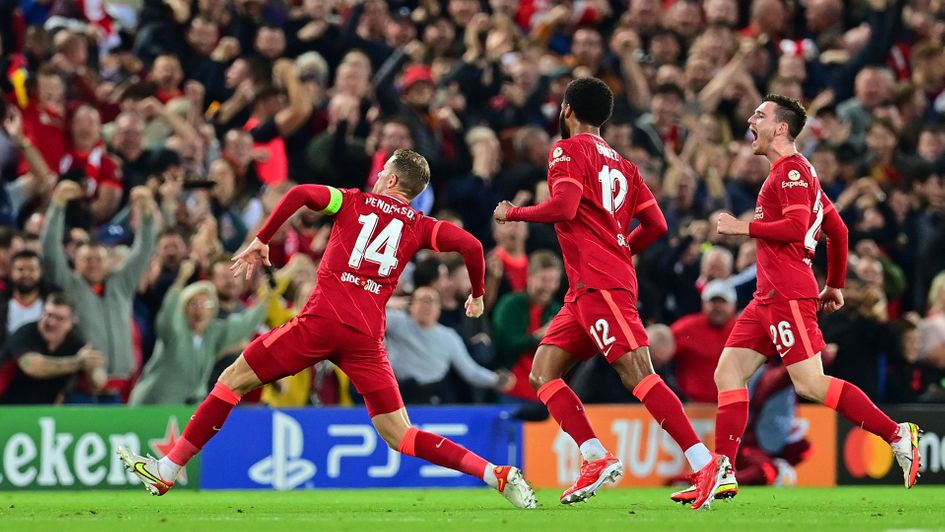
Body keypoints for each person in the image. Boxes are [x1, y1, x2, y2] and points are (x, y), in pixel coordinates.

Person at [119, 148, 536, 509]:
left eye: (381, 172)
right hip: (366, 337)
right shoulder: (419, 225)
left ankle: (167, 469)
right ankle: (494, 473)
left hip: (320, 322)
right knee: (401, 434)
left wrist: (263, 238)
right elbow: (473, 245)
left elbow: (299, 194)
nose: (376, 177)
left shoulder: (350, 201)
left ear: (390, 177)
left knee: (232, 380)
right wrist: (478, 294)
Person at [493, 77, 726, 510]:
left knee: (637, 372)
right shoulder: (625, 165)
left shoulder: (566, 150)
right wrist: (621, 248)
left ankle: (704, 461)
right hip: (585, 288)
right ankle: (594, 456)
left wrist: (514, 213)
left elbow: (563, 208)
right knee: (543, 373)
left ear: (566, 111)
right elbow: (657, 226)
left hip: (602, 284)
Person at [675, 94, 921, 503]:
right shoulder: (802, 175)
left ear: (781, 128)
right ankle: (722, 470)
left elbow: (792, 228)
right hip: (766, 296)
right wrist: (836, 284)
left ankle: (898, 434)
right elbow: (837, 231)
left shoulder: (790, 174)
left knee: (810, 384)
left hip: (787, 293)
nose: (751, 119)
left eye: (759, 115)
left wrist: (743, 228)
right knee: (728, 374)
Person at [385, 286, 514, 404]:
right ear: (411, 305)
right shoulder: (396, 322)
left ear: (439, 308)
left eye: (432, 301)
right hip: (398, 392)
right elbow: (368, 316)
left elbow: (470, 370)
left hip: (434, 396)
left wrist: (495, 380)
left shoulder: (448, 336)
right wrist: (387, 302)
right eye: (423, 300)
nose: (427, 306)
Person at [0, 293, 106, 404]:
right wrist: (78, 362)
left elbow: (98, 383)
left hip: (43, 411)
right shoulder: (26, 333)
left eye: (60, 318)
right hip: (6, 408)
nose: (51, 322)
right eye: (48, 315)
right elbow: (32, 367)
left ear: (71, 322)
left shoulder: (74, 344)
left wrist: (92, 367)